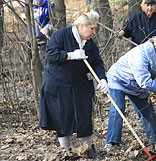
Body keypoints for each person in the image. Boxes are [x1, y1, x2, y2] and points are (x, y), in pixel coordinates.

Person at [39, 10, 108, 159]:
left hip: (78, 83)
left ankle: (89, 149)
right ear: (82, 26)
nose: (94, 33)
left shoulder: (90, 44)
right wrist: (70, 55)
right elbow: (50, 55)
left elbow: (97, 64)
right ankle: (66, 151)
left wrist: (102, 79)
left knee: (84, 114)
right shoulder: (62, 35)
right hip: (57, 83)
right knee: (62, 117)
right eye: (92, 28)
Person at [104, 34, 156, 153]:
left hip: (136, 85)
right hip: (119, 80)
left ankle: (154, 142)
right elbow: (144, 82)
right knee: (118, 109)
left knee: (148, 111)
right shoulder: (139, 56)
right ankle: (112, 143)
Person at [22, 0, 53, 69]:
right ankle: (34, 71)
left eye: (40, 2)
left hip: (43, 37)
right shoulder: (29, 4)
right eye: (37, 2)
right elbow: (24, 12)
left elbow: (54, 19)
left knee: (44, 57)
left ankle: (44, 71)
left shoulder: (49, 5)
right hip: (31, 35)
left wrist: (48, 27)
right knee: (30, 54)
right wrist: (24, 16)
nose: (38, 4)